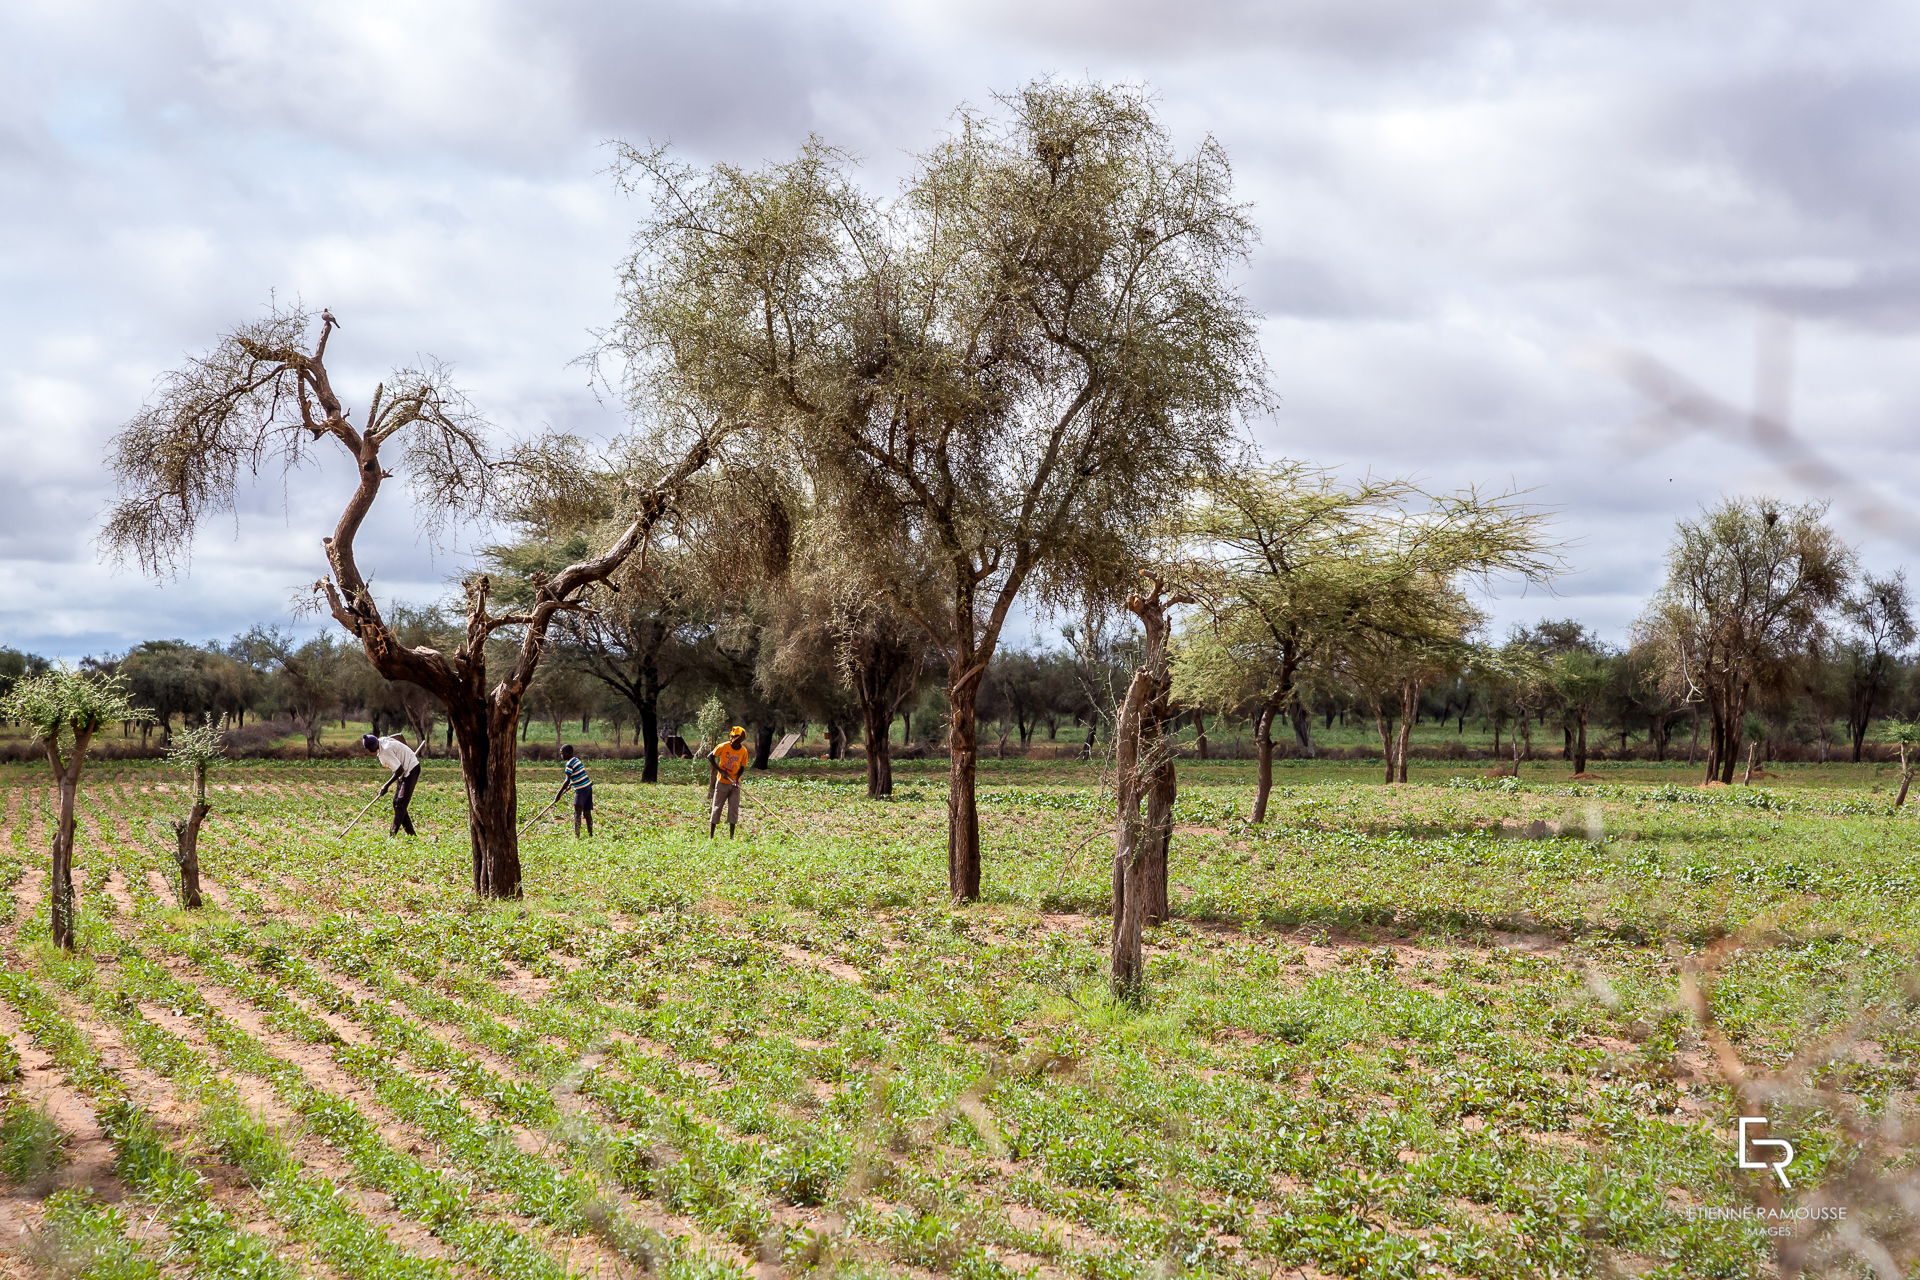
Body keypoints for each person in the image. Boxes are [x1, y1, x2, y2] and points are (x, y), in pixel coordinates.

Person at [362, 732, 422, 836]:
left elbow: (399, 770)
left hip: (411, 770)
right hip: (404, 771)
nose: (367, 751)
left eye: (367, 748)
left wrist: (386, 785)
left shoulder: (385, 751)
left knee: (400, 805)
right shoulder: (382, 740)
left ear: (372, 746)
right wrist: (405, 751)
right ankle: (412, 835)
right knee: (397, 803)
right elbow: (399, 736)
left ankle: (392, 835)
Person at [708, 725, 750, 839]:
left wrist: (736, 779)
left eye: (741, 740)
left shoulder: (743, 750)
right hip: (722, 782)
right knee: (717, 807)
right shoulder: (723, 746)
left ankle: (731, 837)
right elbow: (710, 757)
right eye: (738, 740)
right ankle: (711, 836)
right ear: (733, 738)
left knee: (733, 809)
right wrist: (721, 771)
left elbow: (742, 767)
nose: (739, 742)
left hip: (735, 784)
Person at [554, 743, 593, 837]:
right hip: (588, 788)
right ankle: (590, 834)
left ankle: (577, 836)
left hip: (581, 791)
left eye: (562, 753)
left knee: (577, 813)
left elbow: (566, 781)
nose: (561, 755)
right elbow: (578, 774)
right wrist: (572, 782)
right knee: (587, 813)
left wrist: (558, 795)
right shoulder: (576, 760)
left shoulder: (569, 764)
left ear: (569, 753)